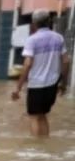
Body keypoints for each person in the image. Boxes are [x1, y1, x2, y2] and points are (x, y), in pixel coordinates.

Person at [12, 9, 69, 138]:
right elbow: (66, 61)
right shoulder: (58, 38)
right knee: (43, 115)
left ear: (34, 23)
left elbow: (28, 64)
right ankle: (44, 145)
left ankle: (36, 148)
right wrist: (63, 83)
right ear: (49, 22)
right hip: (52, 84)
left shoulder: (32, 40)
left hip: (36, 84)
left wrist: (18, 87)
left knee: (33, 117)